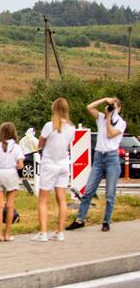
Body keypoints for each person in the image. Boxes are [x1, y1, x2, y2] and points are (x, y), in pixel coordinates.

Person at [68, 97, 127, 232]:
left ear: (119, 108)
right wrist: (104, 100)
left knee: (109, 194)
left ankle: (106, 221)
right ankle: (80, 219)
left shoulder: (121, 123)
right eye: (109, 106)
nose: (111, 108)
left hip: (112, 158)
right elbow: (89, 107)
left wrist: (109, 118)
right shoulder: (101, 117)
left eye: (114, 106)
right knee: (88, 190)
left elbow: (111, 133)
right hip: (99, 157)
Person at [31, 98, 74, 242]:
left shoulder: (49, 126)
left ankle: (43, 232)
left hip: (49, 164)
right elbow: (67, 146)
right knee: (61, 199)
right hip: (63, 164)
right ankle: (60, 231)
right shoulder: (71, 128)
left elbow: (41, 143)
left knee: (43, 199)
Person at [0, 122, 24, 242]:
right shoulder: (17, 147)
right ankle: (7, 235)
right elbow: (20, 165)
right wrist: (15, 164)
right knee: (10, 205)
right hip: (11, 174)